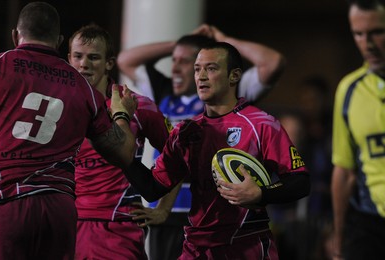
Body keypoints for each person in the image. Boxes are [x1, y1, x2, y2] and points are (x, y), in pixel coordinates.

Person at [118, 41, 310, 259]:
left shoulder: (261, 125)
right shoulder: (185, 132)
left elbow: (301, 182)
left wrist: (260, 193)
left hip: (245, 245)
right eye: (198, 69)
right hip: (195, 248)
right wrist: (120, 148)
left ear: (234, 76)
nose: (201, 76)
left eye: (211, 68)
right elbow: (153, 188)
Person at [0, 2, 136, 259]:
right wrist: (122, 114)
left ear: (15, 35)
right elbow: (123, 152)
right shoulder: (82, 87)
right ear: (59, 41)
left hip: (5, 202)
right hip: (58, 212)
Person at [67, 24, 179, 260]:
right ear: (69, 59)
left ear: (109, 63)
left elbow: (178, 156)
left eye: (93, 57)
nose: (84, 64)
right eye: (78, 56)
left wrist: (163, 210)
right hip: (66, 224)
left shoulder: (137, 105)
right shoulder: (56, 105)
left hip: (116, 227)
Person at [331, 0, 385, 259]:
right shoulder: (349, 89)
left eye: (377, 31)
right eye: (359, 34)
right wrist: (339, 240)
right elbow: (344, 170)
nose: (368, 43)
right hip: (368, 224)